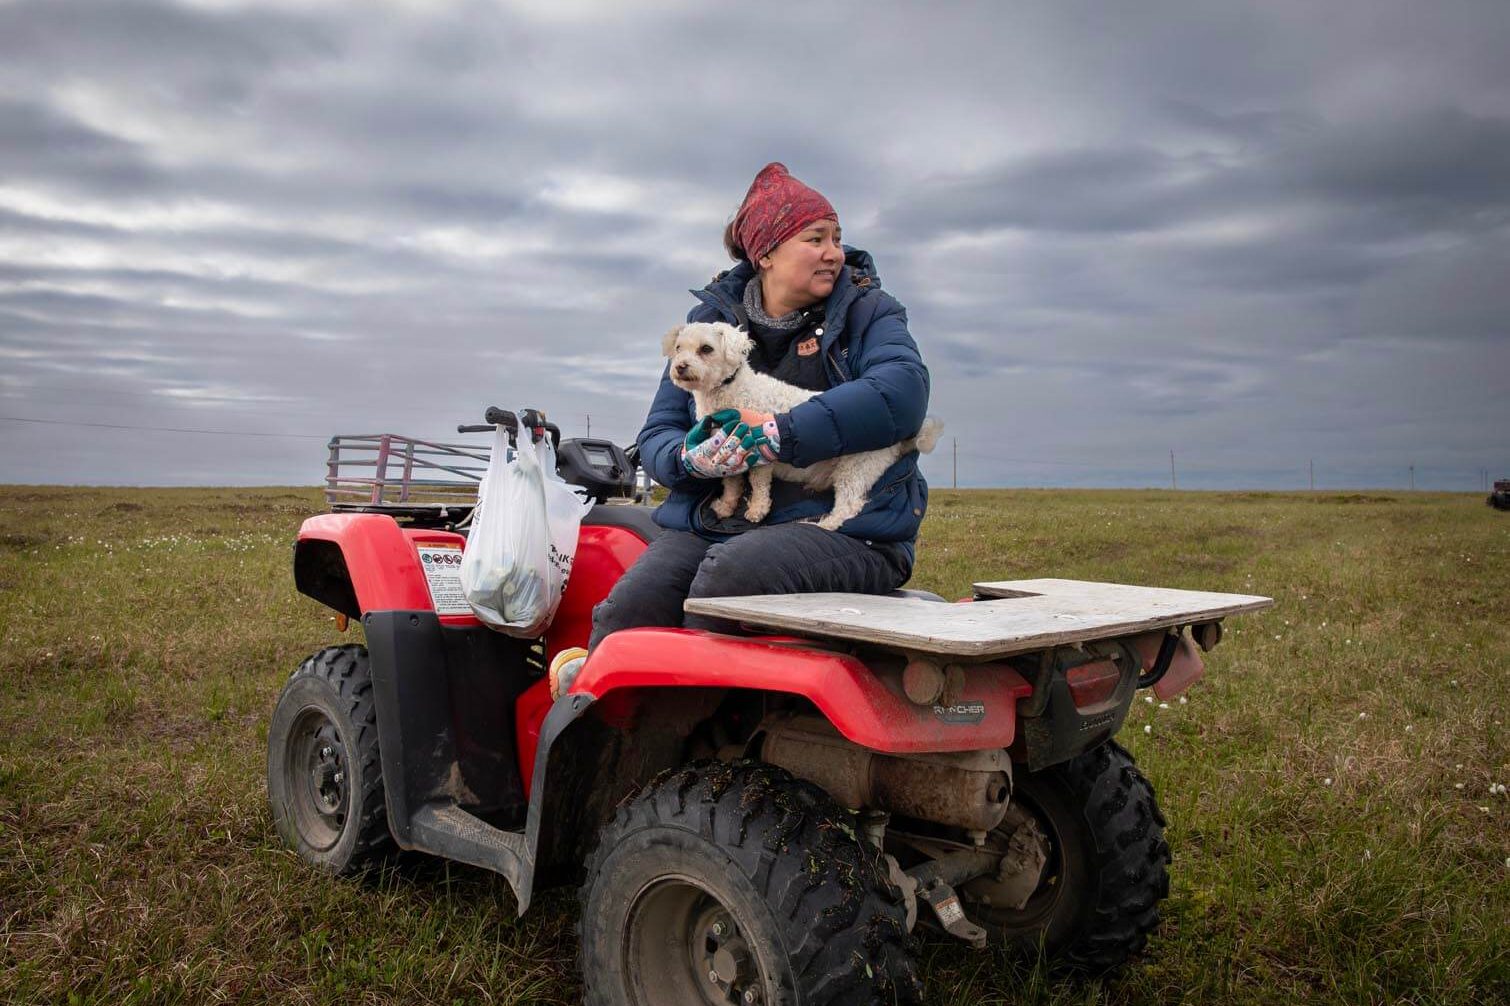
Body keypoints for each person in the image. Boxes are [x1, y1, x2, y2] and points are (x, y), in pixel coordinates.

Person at [549, 162, 931, 692]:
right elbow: (660, 430)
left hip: (851, 529)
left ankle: (693, 743)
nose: (834, 253)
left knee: (726, 580)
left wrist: (781, 433)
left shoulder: (871, 313)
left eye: (837, 239)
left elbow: (901, 395)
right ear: (766, 254)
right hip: (723, 521)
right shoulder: (704, 327)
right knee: (628, 610)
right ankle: (595, 727)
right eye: (815, 238)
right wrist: (688, 458)